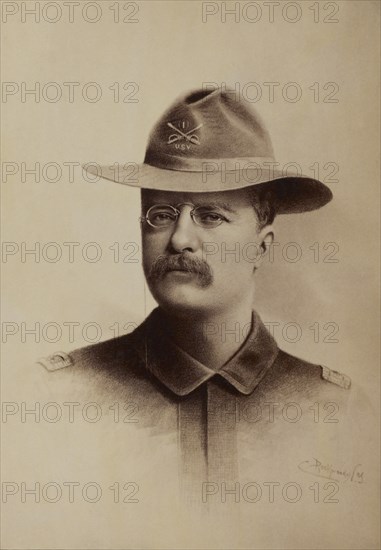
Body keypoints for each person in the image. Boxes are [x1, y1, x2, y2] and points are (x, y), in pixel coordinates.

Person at [37, 87, 353, 500]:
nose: (180, 239)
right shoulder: (61, 399)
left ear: (262, 244)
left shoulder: (334, 410)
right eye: (161, 214)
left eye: (210, 215)